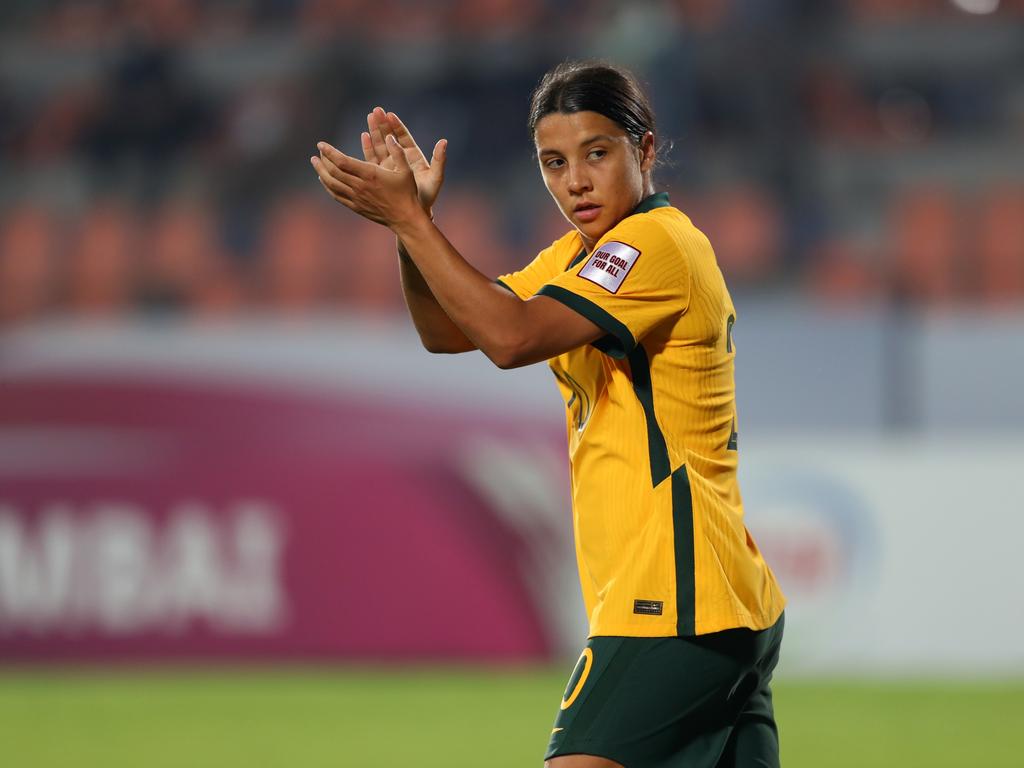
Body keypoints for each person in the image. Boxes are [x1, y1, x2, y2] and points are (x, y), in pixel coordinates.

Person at [311, 60, 787, 768]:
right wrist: (412, 228)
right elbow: (448, 331)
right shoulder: (580, 256)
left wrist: (411, 219)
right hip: (717, 606)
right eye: (554, 162)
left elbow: (512, 338)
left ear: (645, 148)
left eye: (597, 153)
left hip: (674, 605)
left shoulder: (657, 246)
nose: (576, 181)